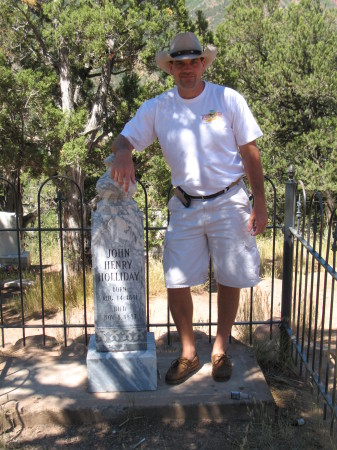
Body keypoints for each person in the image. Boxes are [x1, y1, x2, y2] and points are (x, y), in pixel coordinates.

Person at [110, 32, 268, 385]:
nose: (187, 70)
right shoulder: (158, 107)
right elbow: (126, 136)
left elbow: (250, 152)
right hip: (185, 205)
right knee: (176, 278)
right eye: (179, 64)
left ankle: (220, 348)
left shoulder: (227, 99)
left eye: (193, 62)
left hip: (230, 201)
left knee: (229, 276)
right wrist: (124, 152)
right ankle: (188, 353)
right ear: (171, 69)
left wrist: (260, 201)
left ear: (202, 63)